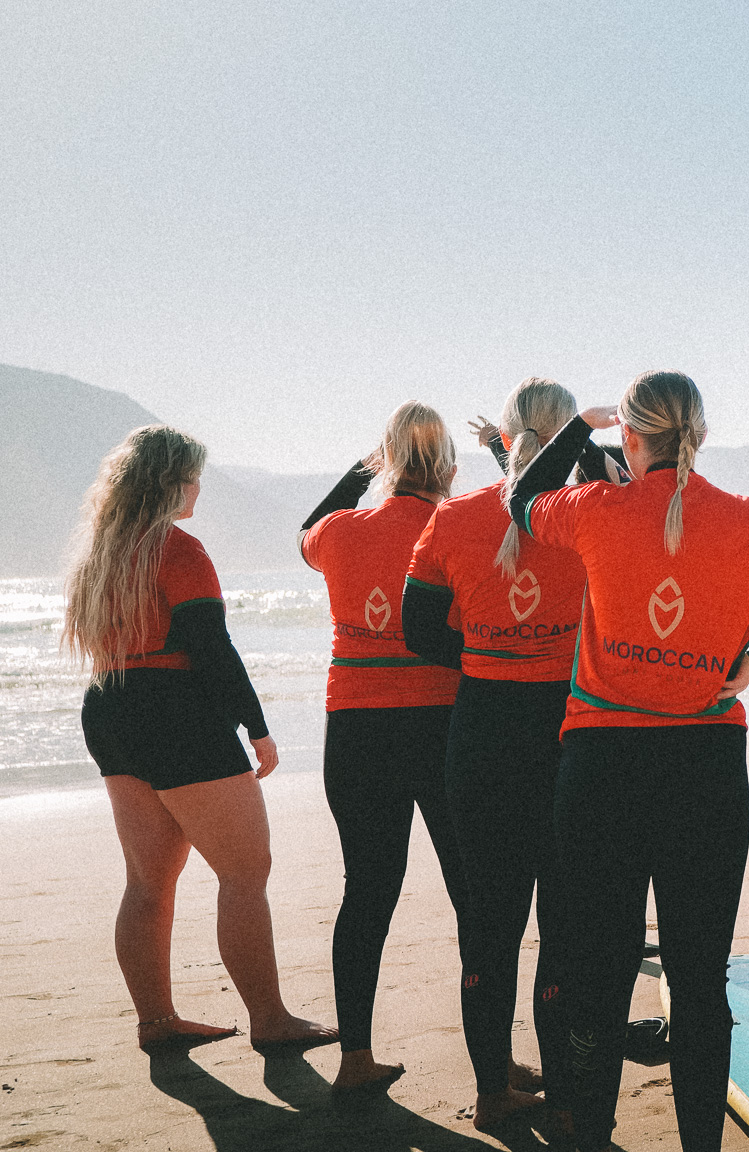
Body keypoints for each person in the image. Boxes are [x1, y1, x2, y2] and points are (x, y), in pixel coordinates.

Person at [508, 371, 749, 1152]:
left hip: (602, 766)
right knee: (700, 983)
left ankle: (593, 1135)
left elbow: (519, 499)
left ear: (630, 439)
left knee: (601, 976)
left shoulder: (593, 509)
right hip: (705, 768)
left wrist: (577, 429)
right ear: (698, 436)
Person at [62, 424, 333, 1055]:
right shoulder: (177, 550)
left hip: (110, 708)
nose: (199, 487)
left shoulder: (102, 551)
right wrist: (258, 727)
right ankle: (270, 1020)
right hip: (176, 713)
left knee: (148, 879)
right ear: (169, 481)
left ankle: (155, 1020)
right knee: (244, 871)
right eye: (193, 476)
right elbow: (211, 647)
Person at [402, 378, 602, 1131]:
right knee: (562, 917)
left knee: (488, 922)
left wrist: (486, 651)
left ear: (511, 435)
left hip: (481, 730)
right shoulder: (587, 514)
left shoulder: (452, 519)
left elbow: (418, 630)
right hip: (565, 730)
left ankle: (492, 1092)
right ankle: (561, 1084)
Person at [298, 403, 467, 1096]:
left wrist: (358, 475)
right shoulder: (456, 529)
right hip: (441, 726)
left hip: (357, 731)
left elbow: (307, 529)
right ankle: (493, 1069)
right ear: (450, 469)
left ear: (386, 462)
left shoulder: (338, 532)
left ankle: (354, 1058)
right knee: (473, 894)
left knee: (366, 891)